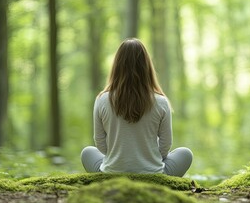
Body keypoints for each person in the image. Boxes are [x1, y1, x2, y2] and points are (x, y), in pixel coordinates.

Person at [80, 38, 193, 177]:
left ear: (117, 66)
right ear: (147, 66)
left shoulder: (102, 100)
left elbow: (100, 143)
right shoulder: (161, 101)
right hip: (152, 176)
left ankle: (109, 177)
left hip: (112, 174)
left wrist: (120, 157)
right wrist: (146, 158)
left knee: (87, 152)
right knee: (185, 154)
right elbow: (165, 146)